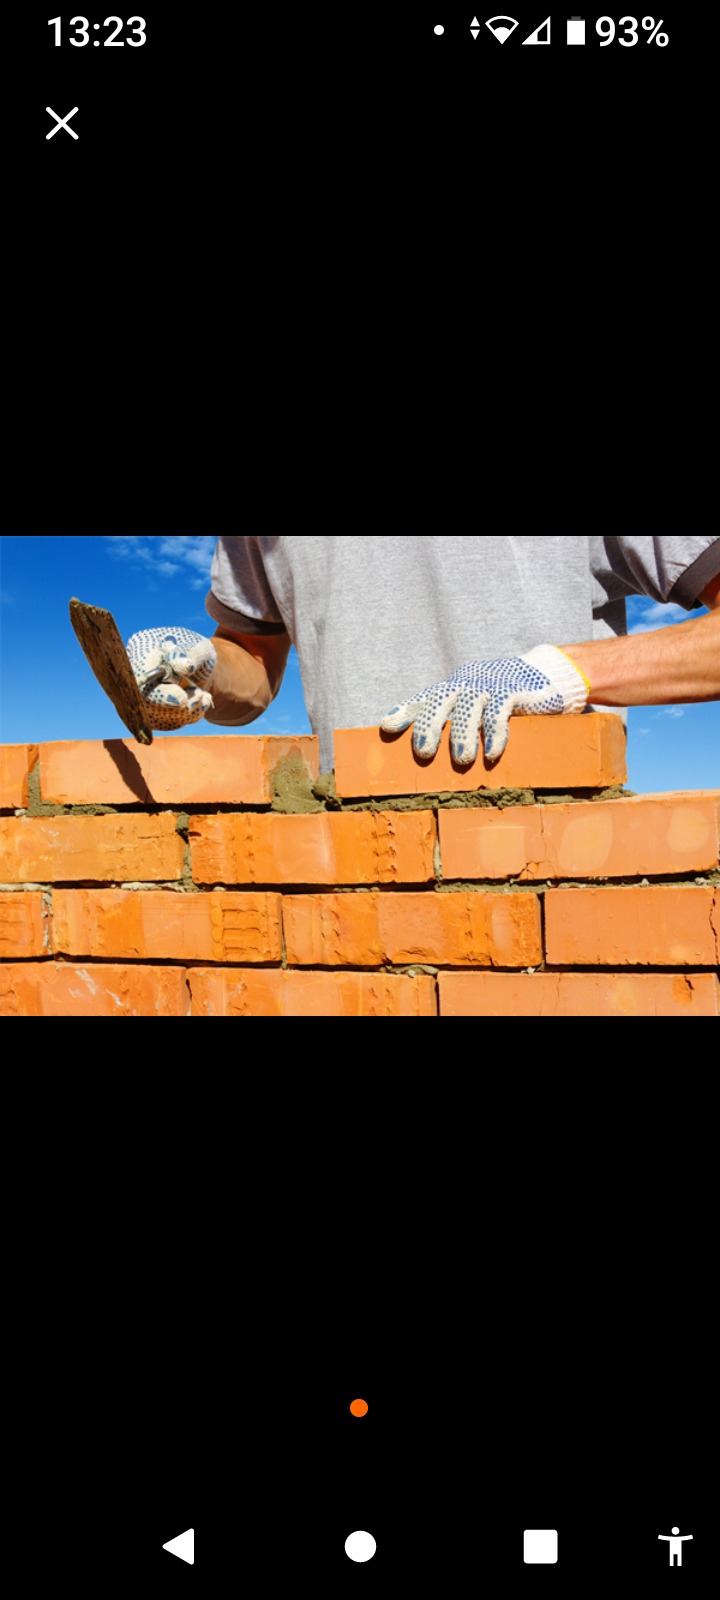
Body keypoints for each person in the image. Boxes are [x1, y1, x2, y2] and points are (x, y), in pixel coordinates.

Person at [126, 537, 720, 774]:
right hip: (364, 860)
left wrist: (563, 672)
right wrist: (201, 664)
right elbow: (254, 664)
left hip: (548, 846)